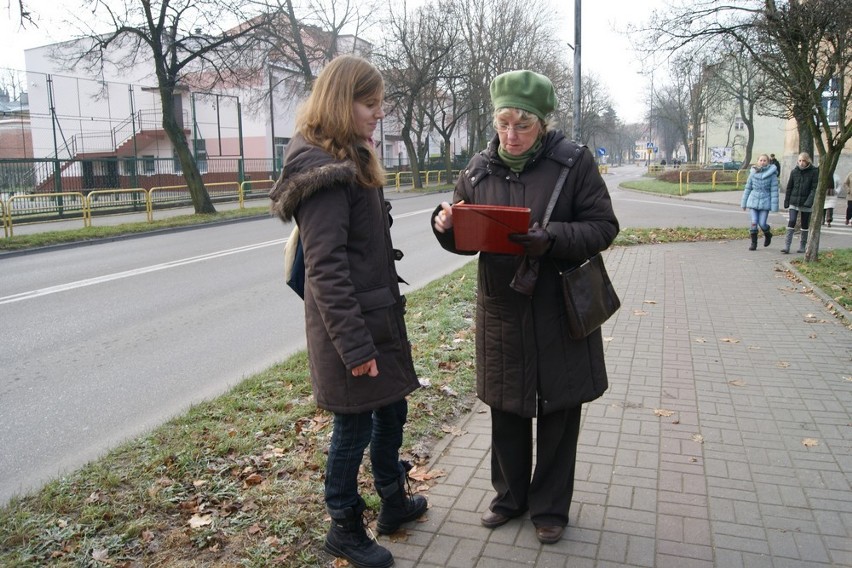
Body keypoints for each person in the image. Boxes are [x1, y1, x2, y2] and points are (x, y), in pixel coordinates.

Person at [430, 70, 619, 544]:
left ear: (542, 122)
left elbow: (603, 227)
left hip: (558, 307)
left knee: (558, 409)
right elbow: (465, 240)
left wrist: (551, 237)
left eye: (523, 125)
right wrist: (446, 226)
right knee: (506, 408)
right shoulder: (476, 170)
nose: (510, 136)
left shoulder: (573, 163)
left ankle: (550, 508)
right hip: (503, 308)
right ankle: (510, 498)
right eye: (503, 124)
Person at [268, 55, 426, 568]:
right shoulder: (325, 170)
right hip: (350, 328)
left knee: (392, 408)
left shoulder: (351, 155)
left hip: (377, 317)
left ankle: (393, 502)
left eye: (380, 103)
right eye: (369, 104)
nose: (378, 113)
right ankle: (343, 525)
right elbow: (327, 269)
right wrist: (355, 348)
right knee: (353, 427)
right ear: (342, 102)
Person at [781, 152, 819, 254]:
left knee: (804, 224)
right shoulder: (794, 171)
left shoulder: (814, 172)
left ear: (808, 161)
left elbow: (814, 188)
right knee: (792, 221)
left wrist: (809, 201)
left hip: (806, 202)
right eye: (800, 160)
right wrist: (787, 201)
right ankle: (787, 246)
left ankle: (802, 246)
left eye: (804, 161)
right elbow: (789, 187)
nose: (801, 163)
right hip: (794, 201)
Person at [740, 153, 779, 250]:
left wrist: (774, 207)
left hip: (765, 202)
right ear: (757, 162)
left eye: (764, 160)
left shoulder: (772, 175)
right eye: (760, 160)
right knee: (754, 222)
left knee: (762, 223)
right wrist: (743, 203)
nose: (762, 162)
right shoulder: (752, 173)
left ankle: (768, 234)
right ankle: (754, 243)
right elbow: (748, 188)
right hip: (753, 201)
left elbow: (774, 191)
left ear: (768, 162)